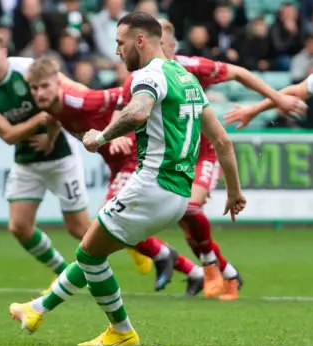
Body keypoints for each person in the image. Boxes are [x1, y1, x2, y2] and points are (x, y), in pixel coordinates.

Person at [9, 12, 246, 346]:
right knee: (94, 248)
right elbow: (221, 140)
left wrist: (100, 137)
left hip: (151, 185)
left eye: (120, 43)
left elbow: (137, 112)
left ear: (140, 40)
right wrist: (234, 192)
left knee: (89, 253)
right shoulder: (187, 78)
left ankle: (121, 331)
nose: (117, 51)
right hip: (178, 197)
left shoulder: (149, 76)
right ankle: (35, 310)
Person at [116, 19, 306, 300]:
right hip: (169, 157)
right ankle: (227, 272)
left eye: (169, 44)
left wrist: (277, 98)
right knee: (181, 217)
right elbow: (123, 109)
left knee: (189, 209)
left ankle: (209, 267)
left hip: (202, 152)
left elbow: (239, 72)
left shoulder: (187, 67)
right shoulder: (139, 77)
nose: (168, 50)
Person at [24, 56, 206, 295]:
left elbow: (123, 93)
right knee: (116, 226)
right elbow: (55, 118)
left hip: (132, 155)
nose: (40, 93)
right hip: (115, 163)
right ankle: (194, 272)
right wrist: (49, 139)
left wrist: (116, 129)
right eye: (34, 88)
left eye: (45, 86)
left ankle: (163, 255)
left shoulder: (79, 99)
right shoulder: (50, 108)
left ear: (58, 83)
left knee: (106, 219)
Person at [0, 28, 92, 294]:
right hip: (26, 161)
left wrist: (50, 135)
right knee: (19, 226)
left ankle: (146, 250)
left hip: (61, 157)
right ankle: (62, 272)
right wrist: (42, 119)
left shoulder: (26, 68)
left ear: (4, 52)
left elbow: (65, 94)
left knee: (80, 229)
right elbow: (9, 135)